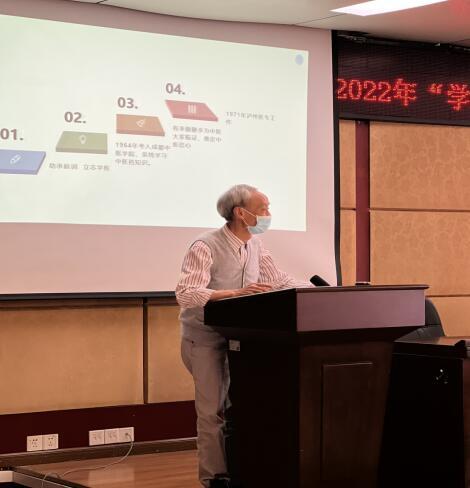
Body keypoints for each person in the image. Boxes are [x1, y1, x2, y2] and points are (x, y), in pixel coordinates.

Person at [175, 184, 311, 488]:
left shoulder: (256, 246)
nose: (268, 214)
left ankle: (241, 470)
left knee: (242, 408)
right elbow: (186, 293)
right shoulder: (205, 245)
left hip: (241, 338)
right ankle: (214, 478)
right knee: (212, 412)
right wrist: (234, 293)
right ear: (240, 213)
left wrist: (317, 290)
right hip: (204, 337)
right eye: (263, 209)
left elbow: (277, 281)